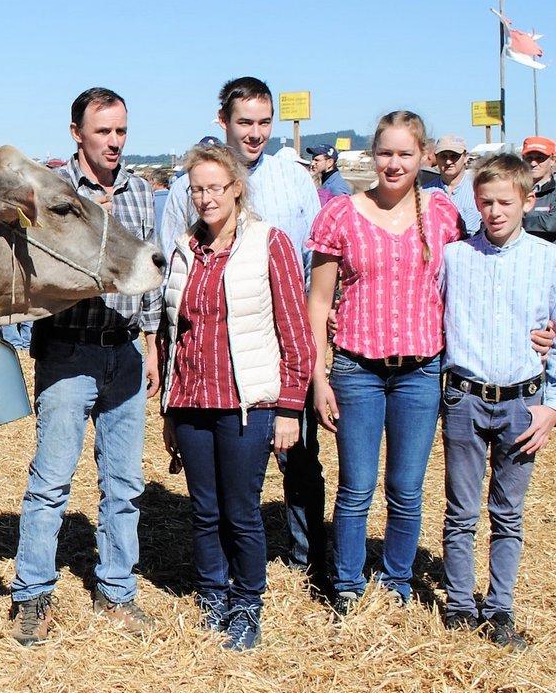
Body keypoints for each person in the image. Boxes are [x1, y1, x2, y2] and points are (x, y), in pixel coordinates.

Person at [160, 77, 327, 589]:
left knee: (299, 464)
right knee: (215, 504)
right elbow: (173, 287)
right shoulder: (185, 194)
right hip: (204, 373)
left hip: (273, 356)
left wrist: (296, 389)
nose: (255, 132)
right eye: (244, 122)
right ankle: (218, 587)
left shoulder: (294, 181)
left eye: (263, 122)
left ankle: (305, 559)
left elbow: (314, 263)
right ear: (223, 122)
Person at [9, 87, 161, 645]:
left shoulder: (143, 195)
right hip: (68, 352)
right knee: (52, 482)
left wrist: (150, 346)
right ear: (77, 133)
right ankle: (32, 596)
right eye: (104, 131)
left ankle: (117, 590)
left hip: (123, 350)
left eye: (121, 131)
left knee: (124, 483)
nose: (115, 142)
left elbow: (151, 271)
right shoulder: (52, 193)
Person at [307, 111, 464, 612]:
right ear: (372, 155)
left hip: (420, 369)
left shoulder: (441, 214)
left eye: (405, 154)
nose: (394, 164)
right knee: (356, 485)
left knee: (406, 486)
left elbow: (468, 282)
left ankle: (397, 582)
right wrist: (318, 376)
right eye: (385, 153)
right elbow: (318, 301)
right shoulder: (341, 214)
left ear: (423, 156)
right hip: (357, 368)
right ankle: (348, 585)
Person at [438, 153, 556, 650]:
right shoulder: (455, 257)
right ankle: (461, 604)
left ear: (528, 201)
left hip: (522, 403)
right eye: (485, 202)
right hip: (465, 398)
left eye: (505, 201)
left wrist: (551, 403)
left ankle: (500, 607)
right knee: (460, 510)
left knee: (508, 512)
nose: (495, 211)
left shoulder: (547, 260)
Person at [427, 135, 481, 235]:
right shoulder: (424, 193)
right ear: (436, 158)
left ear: (465, 157)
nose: (448, 161)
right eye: (443, 156)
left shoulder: (479, 189)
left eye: (454, 156)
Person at [521, 136, 556, 242]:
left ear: (552, 161)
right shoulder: (513, 190)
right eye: (529, 158)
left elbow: (551, 223)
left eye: (540, 158)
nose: (533, 163)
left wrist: (517, 222)